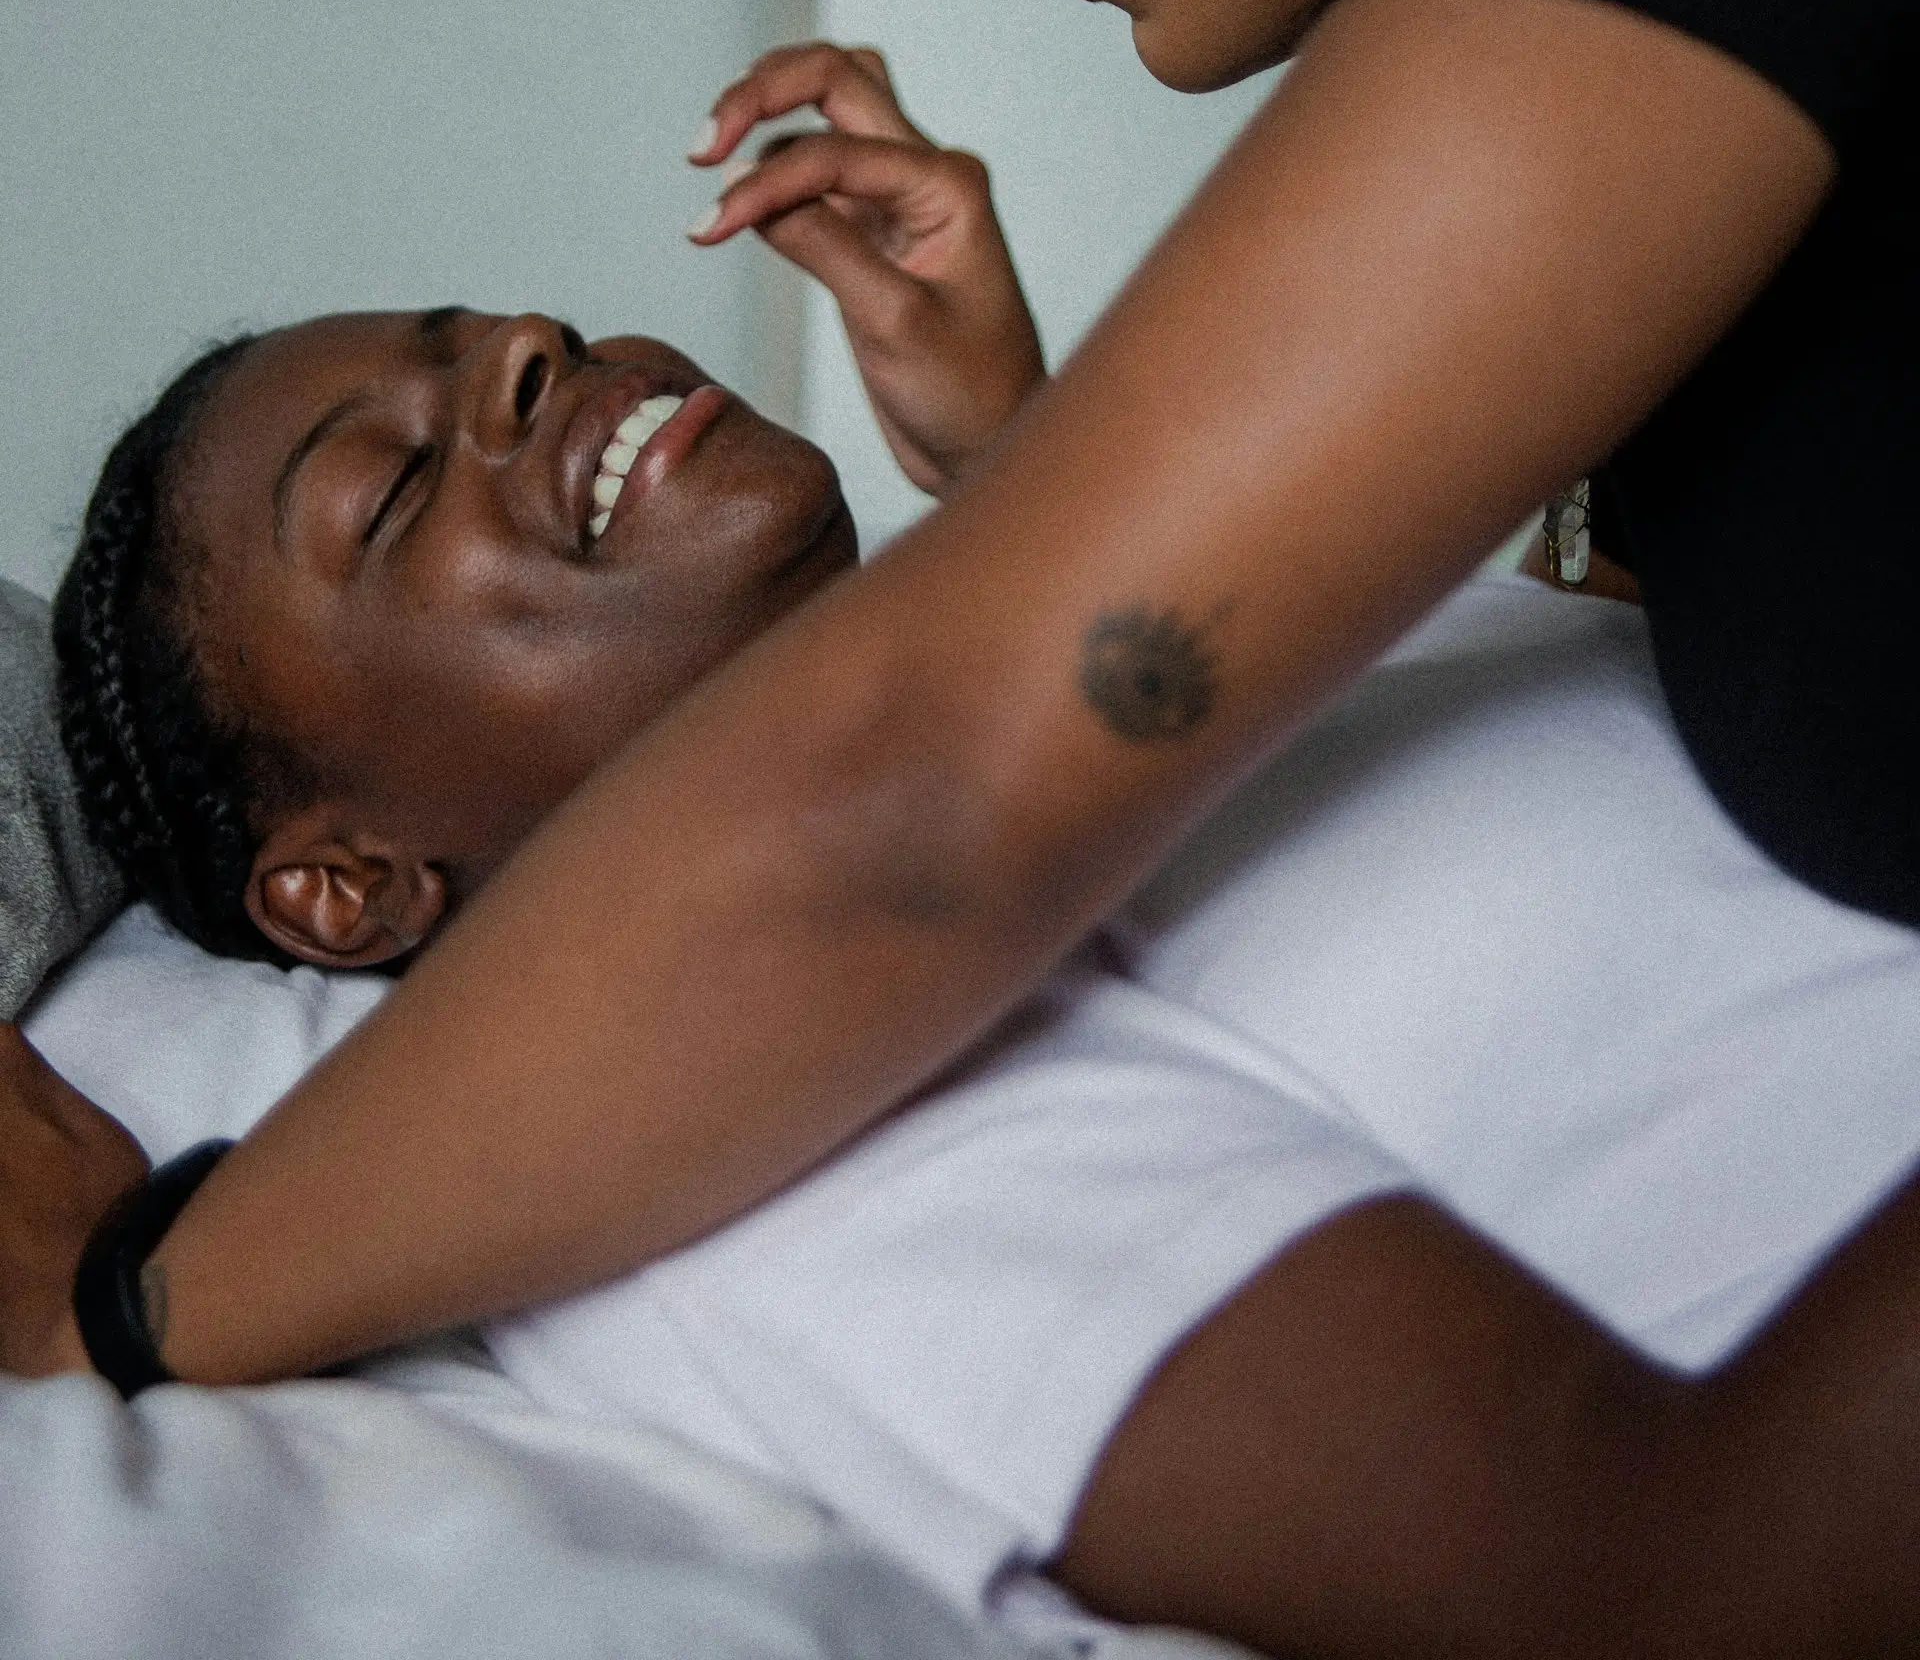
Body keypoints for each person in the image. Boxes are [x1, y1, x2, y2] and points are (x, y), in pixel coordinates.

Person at [2, 0, 1915, 1635]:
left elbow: (933, 781)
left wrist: (138, 1290)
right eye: (385, 474)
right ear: (337, 891)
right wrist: (1034, 471)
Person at [17, 282, 1920, 1655]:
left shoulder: (1080, 718)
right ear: (346, 894)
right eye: (391, 493)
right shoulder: (749, 1171)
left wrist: (1051, 468)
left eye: (475, 336)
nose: (530, 346)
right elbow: (1675, 1582)